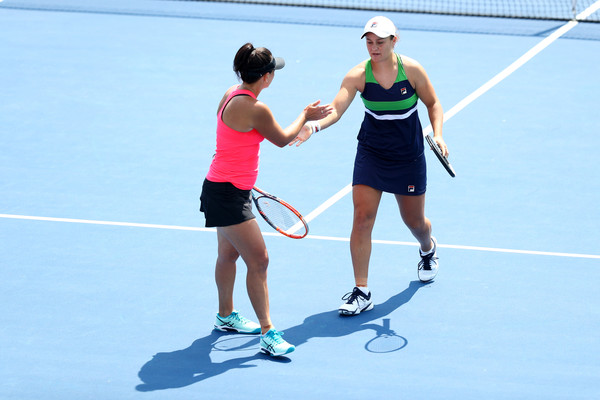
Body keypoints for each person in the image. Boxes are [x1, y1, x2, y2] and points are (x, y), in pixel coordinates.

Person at [290, 16, 449, 316]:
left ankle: (427, 248)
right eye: (369, 42)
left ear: (394, 41)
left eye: (380, 42)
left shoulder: (412, 71)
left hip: (408, 155)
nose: (374, 48)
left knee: (415, 223)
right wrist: (314, 127)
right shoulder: (358, 76)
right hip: (372, 153)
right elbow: (336, 109)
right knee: (362, 217)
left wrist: (438, 134)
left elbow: (434, 103)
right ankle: (361, 291)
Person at [200, 43, 332, 356]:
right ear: (267, 77)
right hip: (229, 194)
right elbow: (284, 139)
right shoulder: (256, 108)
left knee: (228, 256)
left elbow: (231, 135)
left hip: (223, 186)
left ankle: (225, 315)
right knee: (259, 260)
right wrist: (305, 115)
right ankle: (268, 332)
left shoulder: (231, 92)